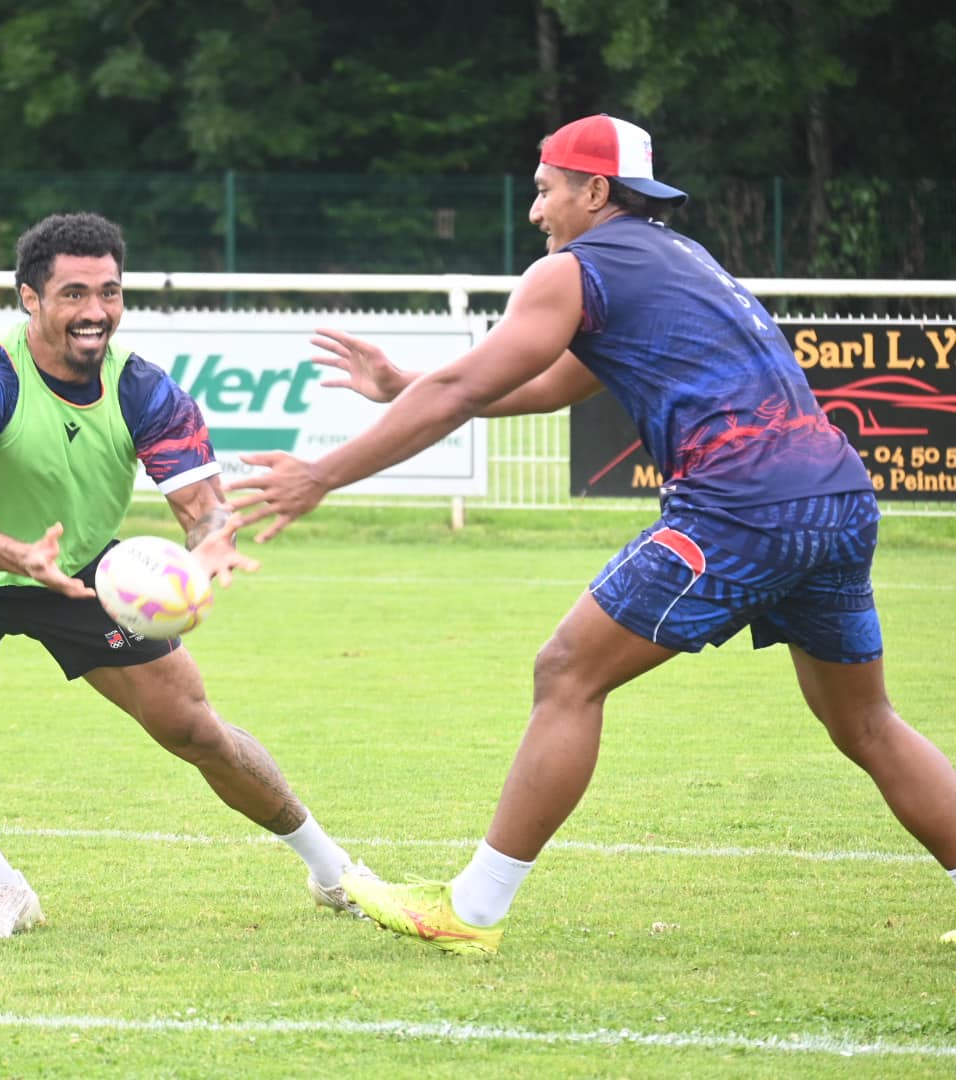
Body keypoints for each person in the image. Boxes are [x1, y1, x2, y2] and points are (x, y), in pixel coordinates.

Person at [228, 114, 956, 956]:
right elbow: (554, 381)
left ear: (594, 190)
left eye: (544, 189)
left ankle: (472, 910)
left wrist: (324, 473)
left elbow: (467, 388)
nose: (535, 211)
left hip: (741, 506)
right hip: (836, 498)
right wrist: (405, 384)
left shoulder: (573, 269)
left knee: (567, 671)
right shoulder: (680, 257)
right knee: (866, 724)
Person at [0, 211, 378, 939]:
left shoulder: (145, 390)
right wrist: (15, 555)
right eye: (73, 294)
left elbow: (201, 506)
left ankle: (333, 870)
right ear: (30, 299)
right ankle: (0, 886)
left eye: (109, 292)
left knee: (196, 731)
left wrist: (213, 541)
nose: (95, 312)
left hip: (90, 572)